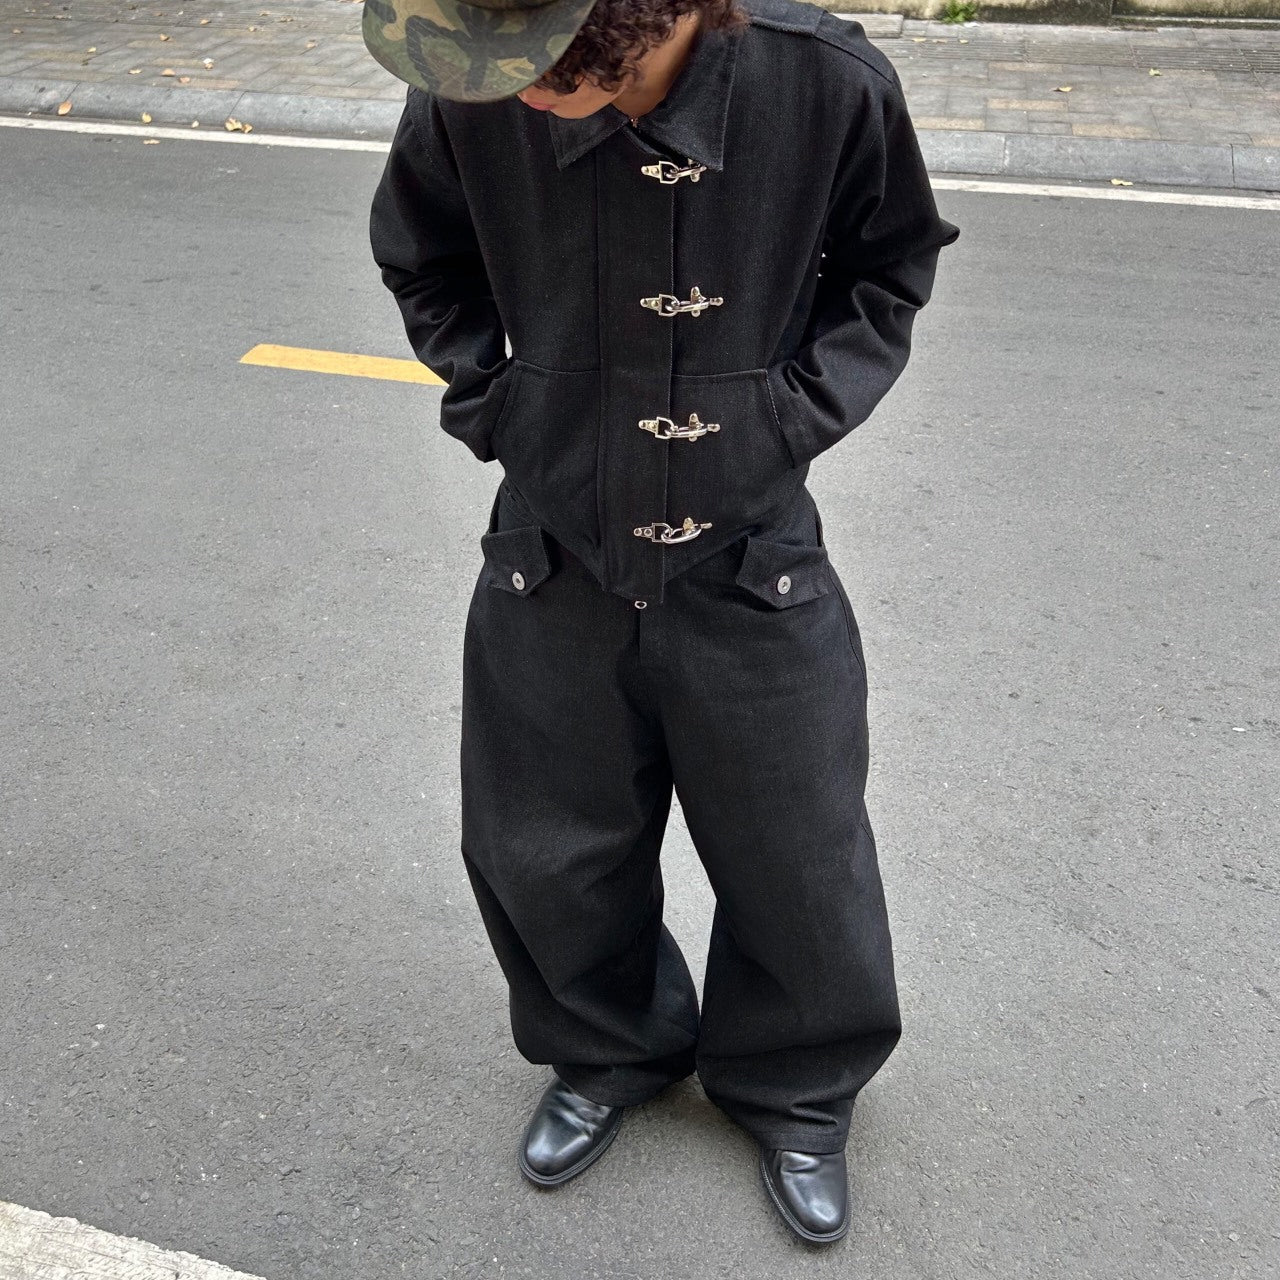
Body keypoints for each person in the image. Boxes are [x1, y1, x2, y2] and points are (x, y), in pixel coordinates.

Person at [365, 0, 959, 1244]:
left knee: (795, 844)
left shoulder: (825, 84)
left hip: (751, 551)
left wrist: (784, 419)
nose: (512, 91)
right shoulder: (475, 80)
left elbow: (888, 265)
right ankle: (603, 1050)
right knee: (544, 840)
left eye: (537, 63)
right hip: (549, 543)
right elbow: (422, 257)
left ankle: (795, 1085)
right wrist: (500, 407)